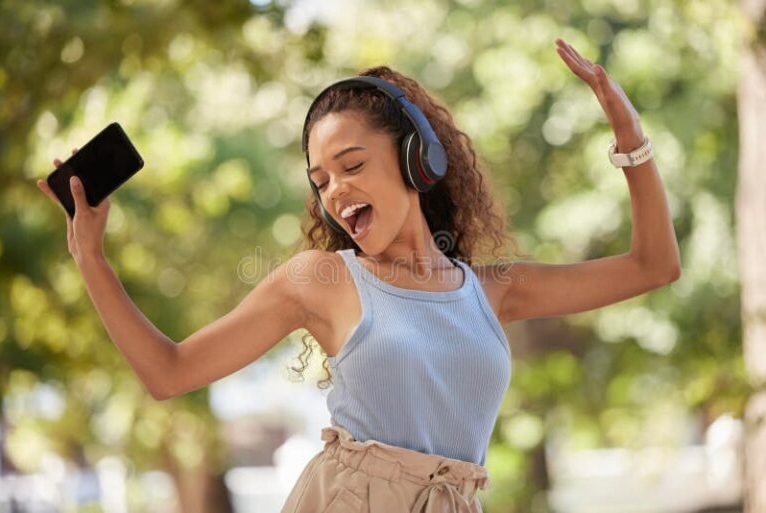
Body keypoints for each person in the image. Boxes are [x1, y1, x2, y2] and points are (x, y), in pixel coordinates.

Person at [36, 38, 681, 513]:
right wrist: (91, 259)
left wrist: (629, 134)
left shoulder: (492, 290)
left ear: (415, 159)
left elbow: (654, 266)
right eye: (321, 181)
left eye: (351, 165)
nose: (335, 193)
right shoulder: (322, 279)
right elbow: (168, 372)